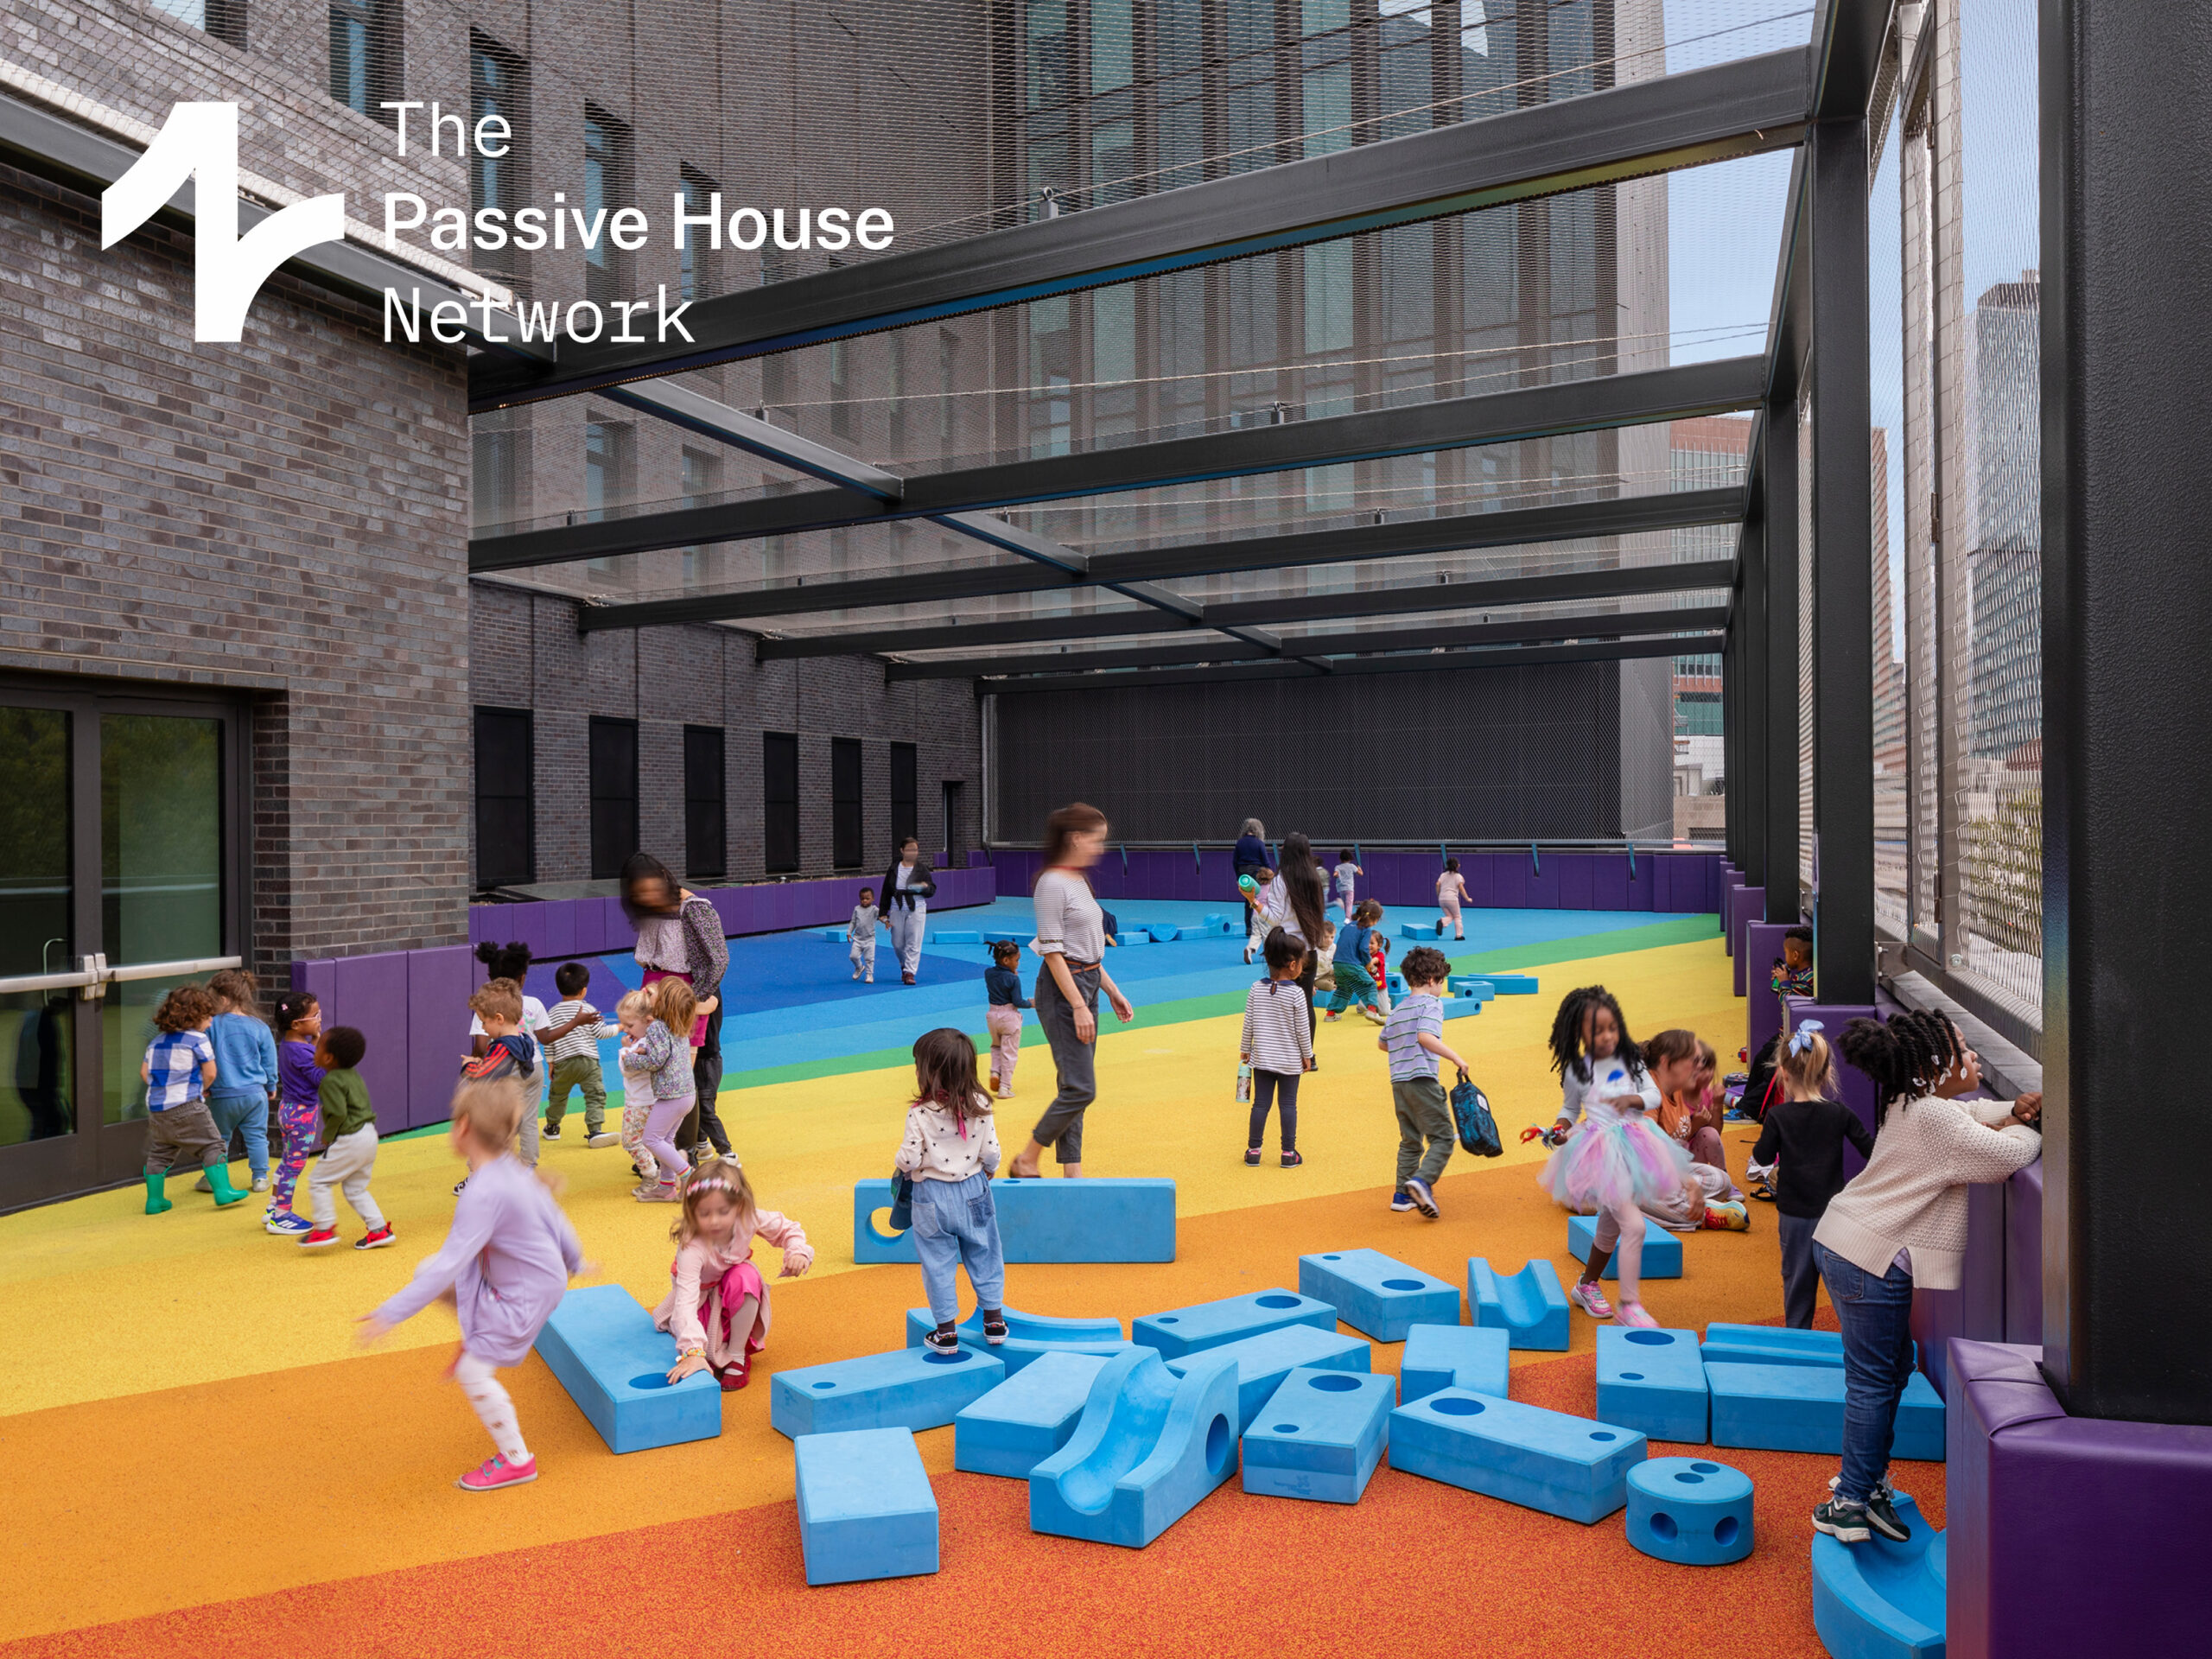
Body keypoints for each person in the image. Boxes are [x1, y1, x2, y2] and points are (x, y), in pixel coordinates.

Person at [1811, 1011, 2041, 1546]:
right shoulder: (1936, 1120)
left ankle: (1862, 1486)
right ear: (1935, 1067)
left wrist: (2010, 1107)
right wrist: (2028, 1125)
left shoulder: (1912, 1104)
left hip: (1851, 1245)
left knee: (1890, 1371)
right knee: (1875, 1380)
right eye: (1964, 1049)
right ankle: (1850, 1500)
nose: (1975, 1057)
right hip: (1871, 1258)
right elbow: (2005, 1156)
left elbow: (1975, 1112)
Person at [359, 1077, 585, 1493]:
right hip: (536, 1276)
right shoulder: (513, 1170)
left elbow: (451, 1264)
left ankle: (517, 1460)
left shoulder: (482, 1190)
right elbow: (557, 1219)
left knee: (473, 1372)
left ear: (463, 1128)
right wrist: (576, 1260)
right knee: (425, 1268)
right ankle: (478, 1329)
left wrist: (390, 1313)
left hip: (524, 1292)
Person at [1537, 985, 1691, 1330]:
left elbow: (1653, 1093)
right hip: (1599, 1151)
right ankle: (1629, 1304)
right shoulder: (1577, 1070)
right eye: (1597, 1030)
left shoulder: (1631, 1060)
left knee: (1610, 1226)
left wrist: (1633, 1102)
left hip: (1636, 1145)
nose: (1607, 1036)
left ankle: (1586, 1285)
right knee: (1634, 1226)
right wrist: (1560, 1129)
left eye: (1612, 1027)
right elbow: (1569, 1108)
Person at [1008, 803, 1135, 1180]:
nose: (1100, 849)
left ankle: (1072, 1171)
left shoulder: (1077, 880)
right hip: (1065, 990)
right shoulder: (1051, 883)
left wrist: (1110, 990)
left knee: (1074, 1084)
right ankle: (1027, 1158)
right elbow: (1051, 951)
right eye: (1096, 840)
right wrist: (1078, 1005)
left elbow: (1090, 946)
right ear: (1076, 838)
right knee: (1081, 1088)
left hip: (1088, 981)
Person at [1749, 1021, 1874, 1327]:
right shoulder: (1839, 1113)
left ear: (1784, 1074)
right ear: (1825, 1073)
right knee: (1842, 1285)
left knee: (1798, 1285)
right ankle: (1856, 1341)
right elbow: (1872, 1151)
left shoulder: (1779, 1116)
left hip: (1794, 1215)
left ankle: (1798, 1341)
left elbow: (1761, 1157)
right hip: (1833, 1213)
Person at [656, 1157, 812, 1391]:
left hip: (732, 1290)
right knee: (703, 1351)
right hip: (700, 1297)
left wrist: (797, 1253)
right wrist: (693, 1351)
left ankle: (737, 1353)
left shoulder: (748, 1218)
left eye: (723, 1211)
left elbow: (788, 1229)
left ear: (738, 1206)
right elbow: (686, 1301)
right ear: (691, 1211)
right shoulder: (692, 1245)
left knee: (746, 1274)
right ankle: (708, 1343)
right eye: (704, 1213)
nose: (714, 1220)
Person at [898, 1027, 1008, 1353]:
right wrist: (988, 1170)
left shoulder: (920, 1112)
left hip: (931, 1194)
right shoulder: (979, 1103)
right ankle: (994, 1320)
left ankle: (946, 1331)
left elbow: (909, 1158)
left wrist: (906, 1168)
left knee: (938, 1262)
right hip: (974, 1188)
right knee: (986, 1251)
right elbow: (991, 1152)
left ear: (930, 1074)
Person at [620, 853, 732, 1160]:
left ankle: (683, 1152)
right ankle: (659, 1149)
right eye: (638, 892)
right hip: (653, 991)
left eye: (649, 888)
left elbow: (718, 959)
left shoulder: (693, 909)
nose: (645, 897)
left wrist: (694, 1001)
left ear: (664, 878)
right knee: (654, 1072)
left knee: (680, 1079)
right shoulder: (650, 909)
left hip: (682, 993)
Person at [469, 941, 592, 1164]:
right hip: (533, 1067)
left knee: (494, 1121)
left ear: (490, 976)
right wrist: (575, 1021)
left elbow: (480, 1046)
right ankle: (528, 1167)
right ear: (523, 978)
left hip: (503, 1069)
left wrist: (477, 1067)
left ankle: (483, 1171)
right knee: (528, 1120)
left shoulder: (487, 1006)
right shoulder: (533, 1003)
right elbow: (545, 1038)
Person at [139, 983, 250, 1214]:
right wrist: (201, 1088)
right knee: (213, 1145)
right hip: (187, 1106)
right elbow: (210, 1073)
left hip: (158, 1110)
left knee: (159, 1152)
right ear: (194, 1016)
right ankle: (222, 1191)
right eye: (208, 1017)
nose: (210, 1022)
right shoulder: (198, 1040)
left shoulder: (156, 1042)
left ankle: (154, 1201)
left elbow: (144, 1074)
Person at [1381, 945, 1466, 1217]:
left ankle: (1401, 1196)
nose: (1442, 987)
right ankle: (1421, 1181)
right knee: (1443, 1138)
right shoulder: (1432, 1003)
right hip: (1422, 1080)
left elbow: (1383, 1043)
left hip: (1399, 1083)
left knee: (1410, 1141)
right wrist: (1456, 1058)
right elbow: (1426, 1037)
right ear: (1432, 980)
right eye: (1442, 981)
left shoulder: (1397, 1010)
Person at [1639, 1028, 1750, 1232]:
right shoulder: (1649, 1094)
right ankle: (1703, 1215)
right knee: (1639, 1198)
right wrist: (1688, 1183)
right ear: (1667, 1063)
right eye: (1692, 1060)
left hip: (1668, 1174)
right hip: (1637, 1173)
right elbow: (1651, 1151)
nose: (1698, 1067)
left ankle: (1679, 1206)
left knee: (1722, 1181)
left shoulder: (1679, 1090)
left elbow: (1703, 1134)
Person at [301, 1025, 392, 1249]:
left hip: (351, 1138)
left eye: (319, 1046)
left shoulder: (330, 1081)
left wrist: (327, 1135)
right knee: (355, 1189)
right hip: (369, 1135)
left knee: (318, 1181)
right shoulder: (353, 1075)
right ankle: (379, 1229)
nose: (315, 1048)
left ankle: (323, 1228)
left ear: (329, 1058)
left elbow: (339, 1113)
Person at [201, 968, 278, 1197]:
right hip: (255, 1094)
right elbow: (270, 1060)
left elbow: (204, 1057)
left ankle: (212, 1178)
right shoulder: (259, 1026)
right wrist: (271, 1086)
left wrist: (203, 1085)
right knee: (257, 1136)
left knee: (219, 1139)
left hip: (223, 1094)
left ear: (223, 1000)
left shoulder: (212, 1025)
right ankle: (260, 1177)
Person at [1242, 926, 1313, 1167]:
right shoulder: (1296, 994)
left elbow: (1248, 1022)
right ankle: (1288, 1153)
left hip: (1261, 1059)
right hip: (1289, 1061)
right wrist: (1308, 1056)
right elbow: (1302, 1030)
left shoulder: (1256, 988)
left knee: (1260, 1105)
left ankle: (1253, 1150)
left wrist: (1246, 1049)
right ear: (1292, 965)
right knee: (1288, 1105)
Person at [621, 979, 699, 1203]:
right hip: (686, 1095)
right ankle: (666, 1186)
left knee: (651, 1140)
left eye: (658, 994)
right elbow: (665, 1052)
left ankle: (687, 1174)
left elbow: (656, 1060)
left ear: (663, 1003)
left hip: (671, 1097)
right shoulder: (678, 1025)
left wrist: (631, 1058)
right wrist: (644, 1049)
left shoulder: (657, 1026)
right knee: (665, 1139)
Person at [1256, 830, 1332, 1052]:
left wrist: (1254, 902)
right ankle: (1308, 1056)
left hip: (1286, 949)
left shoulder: (1281, 880)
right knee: (1306, 1002)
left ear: (1285, 852)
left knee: (1281, 1002)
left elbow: (1276, 917)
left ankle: (1283, 1053)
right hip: (1309, 949)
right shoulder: (1314, 879)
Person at [264, 990, 325, 1236]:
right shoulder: (302, 1051)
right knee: (294, 1166)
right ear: (296, 1024)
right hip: (302, 1116)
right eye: (315, 1015)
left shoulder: (292, 1045)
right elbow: (320, 1078)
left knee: (287, 1162)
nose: (320, 1018)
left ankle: (273, 1207)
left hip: (289, 1110)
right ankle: (281, 1215)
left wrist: (317, 1043)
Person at [542, 962, 621, 1148]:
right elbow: (602, 1033)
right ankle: (595, 1131)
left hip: (563, 1062)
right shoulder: (588, 1010)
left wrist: (551, 1064)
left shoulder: (551, 1012)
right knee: (595, 1095)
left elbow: (548, 1040)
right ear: (584, 991)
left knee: (558, 1096)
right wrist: (620, 1027)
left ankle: (553, 1127)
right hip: (588, 1062)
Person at [1653, 1029, 1738, 1196]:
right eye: (1698, 1069)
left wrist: (1717, 1105)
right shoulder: (1669, 1096)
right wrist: (1694, 1126)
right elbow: (1667, 1147)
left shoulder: (1703, 1093)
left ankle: (1721, 1180)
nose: (1705, 1074)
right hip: (1667, 1163)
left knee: (1709, 1135)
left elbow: (1715, 1134)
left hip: (1691, 1159)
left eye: (1709, 1068)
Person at [881, 836, 937, 987]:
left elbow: (931, 890)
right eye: (909, 849)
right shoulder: (893, 869)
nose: (912, 852)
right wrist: (883, 912)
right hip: (896, 907)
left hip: (916, 907)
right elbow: (886, 890)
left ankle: (910, 972)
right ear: (902, 850)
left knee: (914, 941)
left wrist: (923, 888)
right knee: (897, 942)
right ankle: (904, 964)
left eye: (915, 850)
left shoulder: (922, 869)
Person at [1325, 899, 1387, 1024]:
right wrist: (1368, 963)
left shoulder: (1348, 925)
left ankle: (1331, 1013)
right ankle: (1372, 1011)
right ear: (1374, 919)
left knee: (1344, 988)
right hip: (1351, 964)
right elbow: (1363, 948)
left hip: (1337, 964)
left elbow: (1344, 943)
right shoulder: (1366, 929)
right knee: (1371, 984)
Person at [984, 938, 1032, 1100]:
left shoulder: (988, 973)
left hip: (992, 1016)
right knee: (1009, 1052)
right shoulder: (1013, 979)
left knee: (996, 1046)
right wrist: (1031, 1004)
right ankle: (1005, 1087)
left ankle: (995, 1071)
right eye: (1016, 960)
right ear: (1006, 960)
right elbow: (1018, 1001)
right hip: (1009, 1017)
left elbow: (998, 978)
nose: (1018, 964)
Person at [1241, 865, 1275, 966]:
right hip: (1265, 915)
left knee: (1256, 934)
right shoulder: (1272, 889)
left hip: (1255, 915)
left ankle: (1250, 948)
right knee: (1267, 935)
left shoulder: (1257, 889)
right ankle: (1270, 955)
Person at [1771, 925, 1815, 1003]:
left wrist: (1784, 982)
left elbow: (1790, 1004)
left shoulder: (1805, 981)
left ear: (1795, 955)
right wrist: (1783, 980)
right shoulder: (1807, 975)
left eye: (1786, 952)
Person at [849, 886, 880, 983]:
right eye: (862, 899)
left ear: (873, 899)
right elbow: (853, 922)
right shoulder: (857, 909)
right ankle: (859, 967)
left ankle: (869, 974)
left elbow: (882, 916)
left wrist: (886, 921)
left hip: (870, 938)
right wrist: (849, 932)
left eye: (867, 898)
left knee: (869, 958)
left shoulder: (875, 909)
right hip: (858, 938)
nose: (865, 901)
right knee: (853, 956)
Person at [1437, 857, 1471, 941]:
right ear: (1458, 866)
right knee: (1457, 917)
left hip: (1442, 898)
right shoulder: (1458, 876)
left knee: (1450, 916)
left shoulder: (1443, 875)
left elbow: (1437, 884)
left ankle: (1443, 921)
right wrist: (1467, 898)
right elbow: (1461, 888)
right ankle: (1458, 936)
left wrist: (1439, 895)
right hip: (1452, 898)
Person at [1232, 818, 1268, 885]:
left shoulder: (1240, 842)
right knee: (1257, 892)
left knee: (1246, 893)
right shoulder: (1259, 843)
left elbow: (1235, 861)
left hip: (1242, 871)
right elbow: (1265, 861)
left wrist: (1238, 876)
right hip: (1256, 871)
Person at [1331, 849, 1363, 918]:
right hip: (1349, 888)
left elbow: (1335, 874)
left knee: (1346, 904)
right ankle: (1348, 919)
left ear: (1340, 858)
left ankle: (1347, 917)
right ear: (1350, 858)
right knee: (1349, 904)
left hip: (1341, 888)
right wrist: (1359, 868)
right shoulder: (1352, 866)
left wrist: (1336, 875)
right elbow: (1361, 874)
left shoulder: (1338, 867)